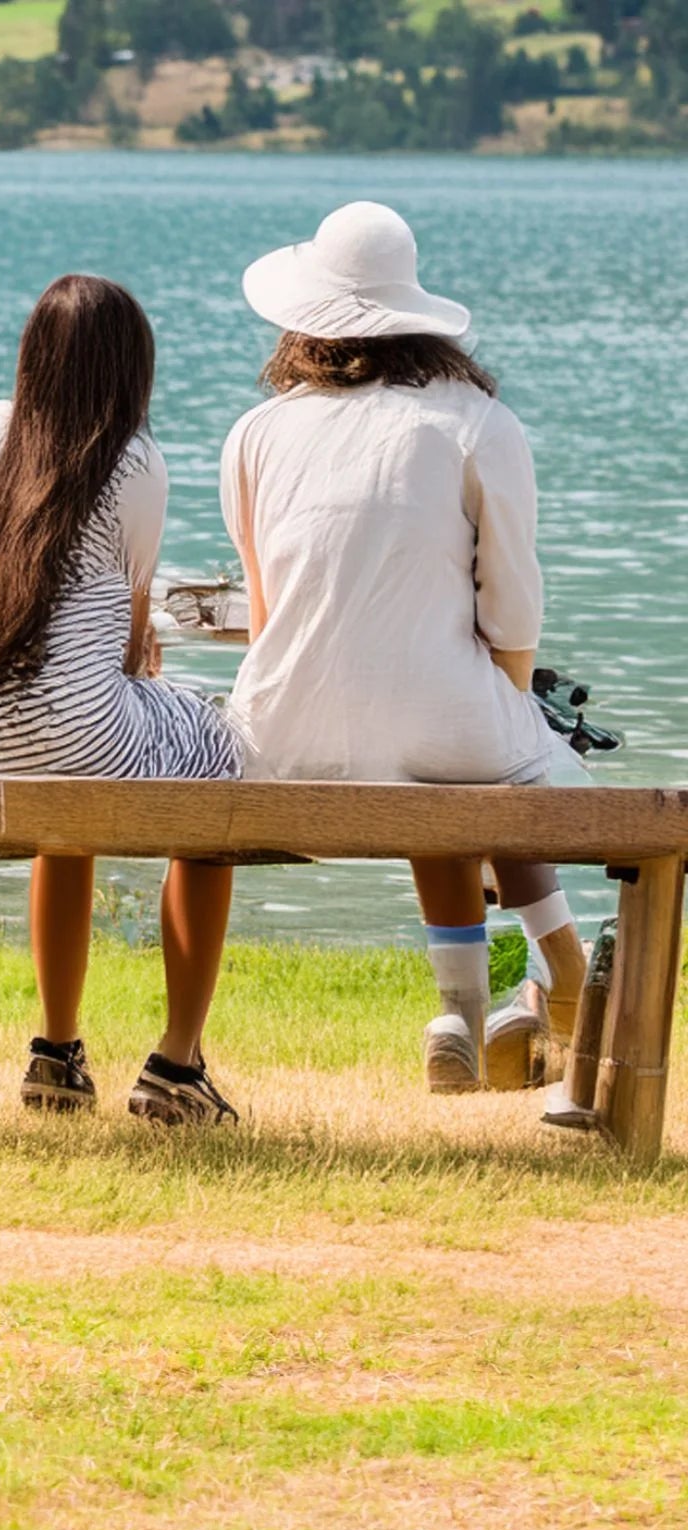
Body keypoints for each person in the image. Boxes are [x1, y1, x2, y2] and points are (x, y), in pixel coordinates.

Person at [220, 201, 587, 1113]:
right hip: (443, 741)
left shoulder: (256, 433)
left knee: (451, 756)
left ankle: (462, 1015)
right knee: (502, 760)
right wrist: (499, 709)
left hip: (279, 747)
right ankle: (564, 986)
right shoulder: (474, 422)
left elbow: (267, 616)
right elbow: (512, 613)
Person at [0, 272, 243, 1127]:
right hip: (67, 729)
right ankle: (178, 1062)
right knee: (222, 762)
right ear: (131, 371)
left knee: (69, 785)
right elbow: (137, 639)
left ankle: (56, 1050)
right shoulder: (137, 460)